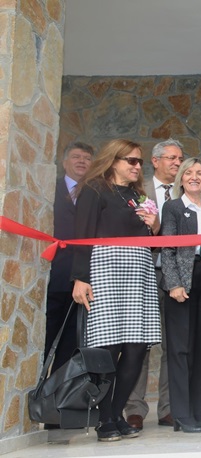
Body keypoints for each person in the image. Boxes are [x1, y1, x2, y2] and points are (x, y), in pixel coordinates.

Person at [71, 139, 161, 441]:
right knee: (108, 348)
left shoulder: (138, 196)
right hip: (106, 272)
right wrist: (80, 278)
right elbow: (82, 235)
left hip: (139, 274)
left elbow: (150, 235)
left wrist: (155, 224)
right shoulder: (94, 189)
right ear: (113, 161)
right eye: (131, 161)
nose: (137, 166)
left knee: (136, 348)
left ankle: (115, 412)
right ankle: (104, 417)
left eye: (139, 162)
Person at [126, 139, 184, 430]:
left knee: (173, 344)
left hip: (175, 279)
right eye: (171, 158)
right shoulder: (139, 191)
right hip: (143, 275)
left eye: (180, 158)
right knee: (140, 343)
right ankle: (134, 408)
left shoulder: (186, 193)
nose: (176, 163)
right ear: (156, 160)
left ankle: (168, 408)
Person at [160, 158, 201, 433]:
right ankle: (180, 414)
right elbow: (167, 249)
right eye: (189, 173)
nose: (194, 177)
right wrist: (173, 284)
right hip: (183, 279)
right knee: (181, 349)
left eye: (200, 173)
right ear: (181, 179)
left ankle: (197, 411)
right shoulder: (173, 208)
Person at [45, 142, 94, 382]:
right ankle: (33, 395)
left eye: (86, 158)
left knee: (71, 343)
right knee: (45, 336)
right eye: (76, 157)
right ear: (65, 163)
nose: (82, 161)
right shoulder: (48, 189)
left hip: (83, 278)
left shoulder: (95, 194)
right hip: (53, 274)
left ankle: (55, 405)